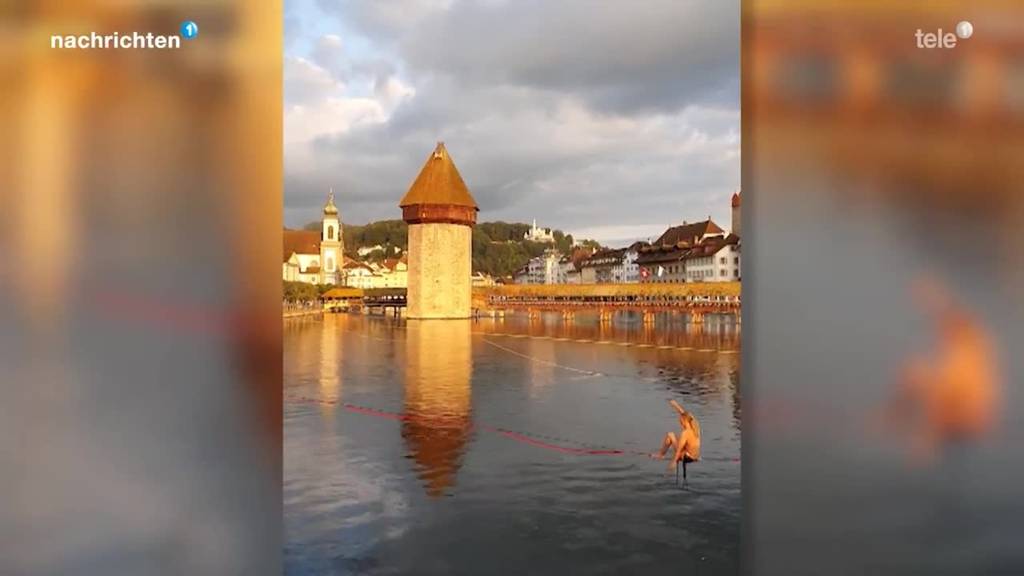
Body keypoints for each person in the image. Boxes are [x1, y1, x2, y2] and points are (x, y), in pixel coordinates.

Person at [651, 399, 701, 472]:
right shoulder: (695, 427)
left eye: (680, 421)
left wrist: (673, 462)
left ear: (683, 421)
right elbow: (688, 416)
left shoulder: (685, 433)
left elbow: (679, 449)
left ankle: (661, 454)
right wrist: (676, 406)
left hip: (687, 457)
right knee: (673, 436)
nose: (680, 423)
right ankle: (661, 454)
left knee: (670, 435)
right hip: (695, 456)